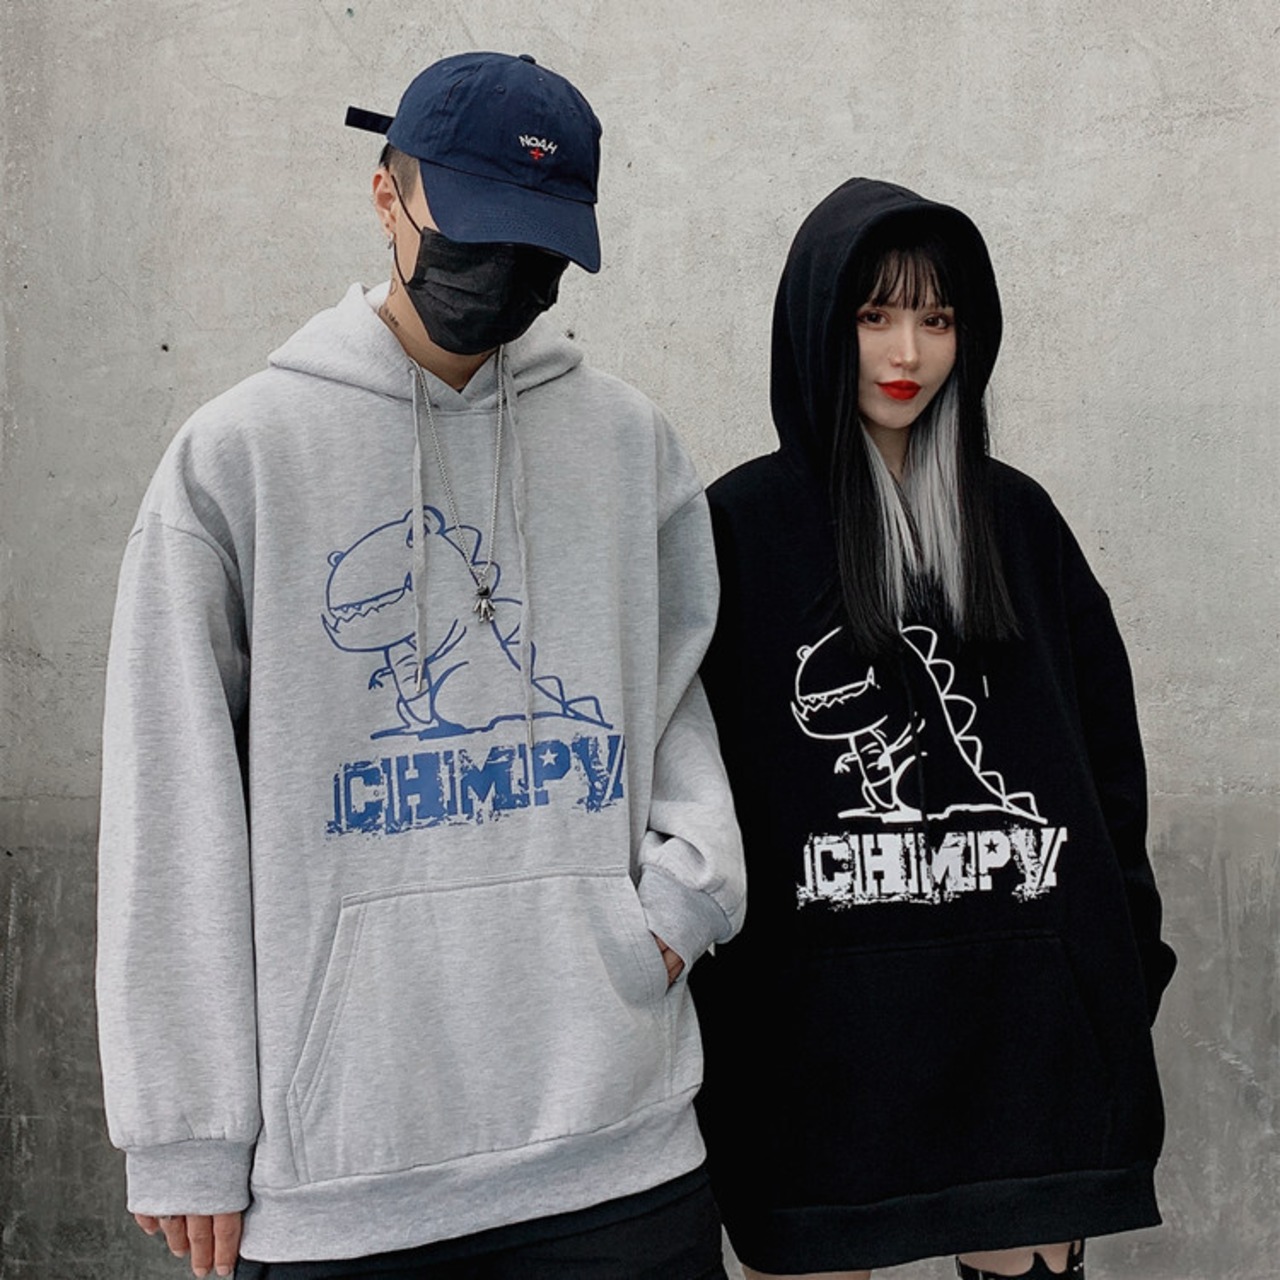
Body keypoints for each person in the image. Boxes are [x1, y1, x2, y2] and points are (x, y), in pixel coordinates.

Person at [96, 51, 745, 1280]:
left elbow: (675, 691)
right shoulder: (238, 456)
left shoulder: (625, 442)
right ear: (386, 197)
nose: (501, 275)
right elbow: (169, 797)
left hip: (618, 1150)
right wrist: (185, 1127)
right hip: (349, 1185)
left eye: (537, 249)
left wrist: (682, 898)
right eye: (474, 230)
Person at [690, 178, 1176, 1280]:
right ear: (819, 323)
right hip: (812, 1061)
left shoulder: (1018, 522)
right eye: (873, 315)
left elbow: (1108, 771)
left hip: (1023, 1051)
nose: (906, 351)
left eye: (937, 318)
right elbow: (690, 774)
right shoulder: (738, 528)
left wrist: (1116, 967)